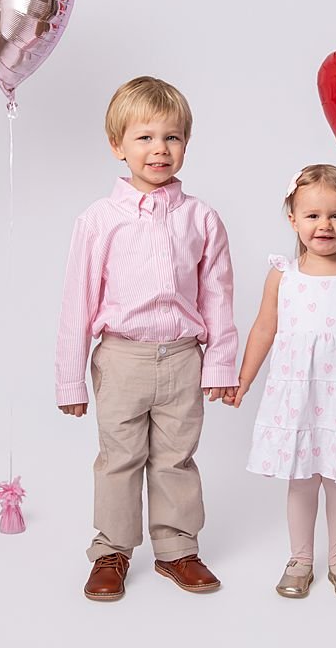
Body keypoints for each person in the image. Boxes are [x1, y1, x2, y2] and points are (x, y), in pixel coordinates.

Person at [54, 76, 238, 601]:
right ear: (118, 146)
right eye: (145, 137)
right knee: (118, 458)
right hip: (121, 359)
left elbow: (218, 296)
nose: (160, 149)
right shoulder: (98, 220)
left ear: (185, 144)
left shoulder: (201, 219)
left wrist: (220, 365)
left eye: (172, 137)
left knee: (175, 458)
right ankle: (111, 549)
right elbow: (77, 302)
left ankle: (177, 548)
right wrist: (71, 379)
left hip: (183, 358)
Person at [227, 164, 336, 599]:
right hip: (297, 399)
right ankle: (300, 559)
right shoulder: (283, 275)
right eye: (313, 215)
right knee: (301, 481)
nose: (324, 225)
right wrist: (243, 380)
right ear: (293, 219)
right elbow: (264, 329)